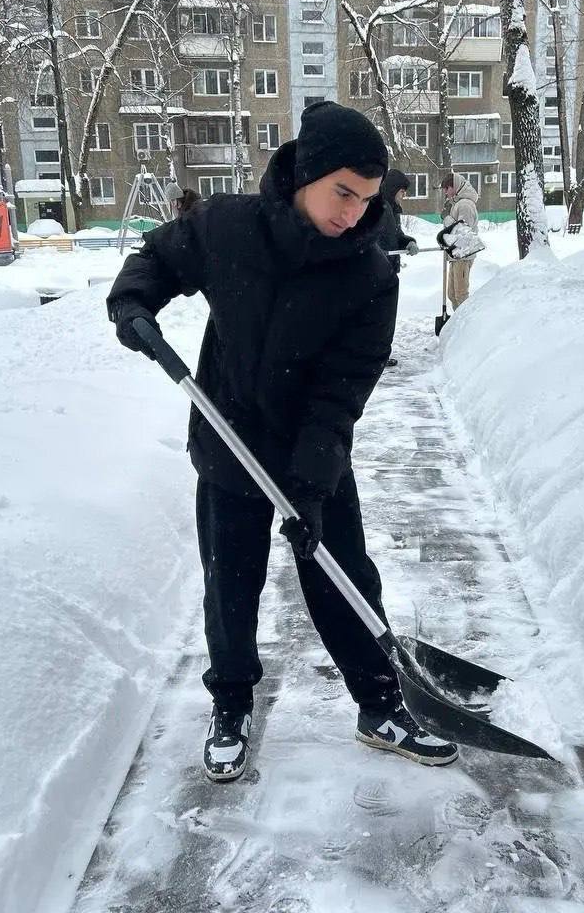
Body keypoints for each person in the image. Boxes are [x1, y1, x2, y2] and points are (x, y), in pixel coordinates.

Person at [107, 101, 459, 783]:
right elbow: (158, 256)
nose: (354, 212)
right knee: (230, 586)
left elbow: (344, 386)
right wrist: (134, 299)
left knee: (341, 574)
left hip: (311, 451)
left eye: (366, 198)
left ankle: (381, 703)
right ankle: (231, 704)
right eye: (343, 193)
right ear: (308, 172)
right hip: (228, 442)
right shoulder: (227, 227)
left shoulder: (369, 272)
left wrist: (313, 473)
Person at [377, 170, 419, 369]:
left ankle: (381, 353)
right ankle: (376, 355)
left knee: (386, 317)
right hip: (376, 272)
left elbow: (397, 235)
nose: (403, 196)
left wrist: (409, 242)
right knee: (379, 318)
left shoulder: (393, 209)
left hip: (389, 270)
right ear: (393, 189)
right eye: (402, 192)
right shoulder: (377, 207)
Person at [440, 173, 479, 310]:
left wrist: (447, 218)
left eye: (446, 188)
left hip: (464, 254)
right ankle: (457, 324)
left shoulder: (465, 205)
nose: (445, 192)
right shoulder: (457, 203)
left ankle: (465, 326)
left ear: (454, 187)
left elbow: (463, 231)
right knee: (452, 294)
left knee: (461, 295)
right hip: (456, 254)